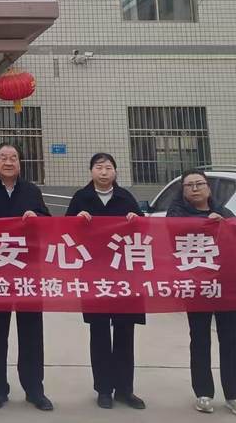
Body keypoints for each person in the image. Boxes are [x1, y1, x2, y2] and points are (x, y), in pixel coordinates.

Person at [0, 143, 54, 412]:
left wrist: (37, 217)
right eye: (3, 157)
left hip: (28, 274)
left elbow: (48, 223)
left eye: (13, 157)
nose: (8, 162)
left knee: (32, 334)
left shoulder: (31, 191)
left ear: (20, 163)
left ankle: (34, 390)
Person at [65, 152, 146, 411]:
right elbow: (63, 232)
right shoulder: (81, 198)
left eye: (108, 167)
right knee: (99, 333)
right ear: (91, 171)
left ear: (115, 172)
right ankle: (103, 389)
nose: (103, 172)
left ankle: (125, 389)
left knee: (125, 333)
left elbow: (145, 232)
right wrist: (76, 221)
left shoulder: (126, 198)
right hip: (93, 275)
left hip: (125, 276)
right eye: (99, 167)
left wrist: (137, 221)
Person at [167, 171, 236, 417]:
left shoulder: (225, 214)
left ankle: (235, 395)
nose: (195, 188)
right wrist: (204, 223)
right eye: (189, 185)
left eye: (199, 184)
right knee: (200, 337)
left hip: (225, 284)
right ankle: (203, 393)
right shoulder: (176, 214)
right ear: (183, 191)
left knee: (230, 339)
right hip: (197, 285)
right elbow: (173, 236)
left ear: (209, 188)